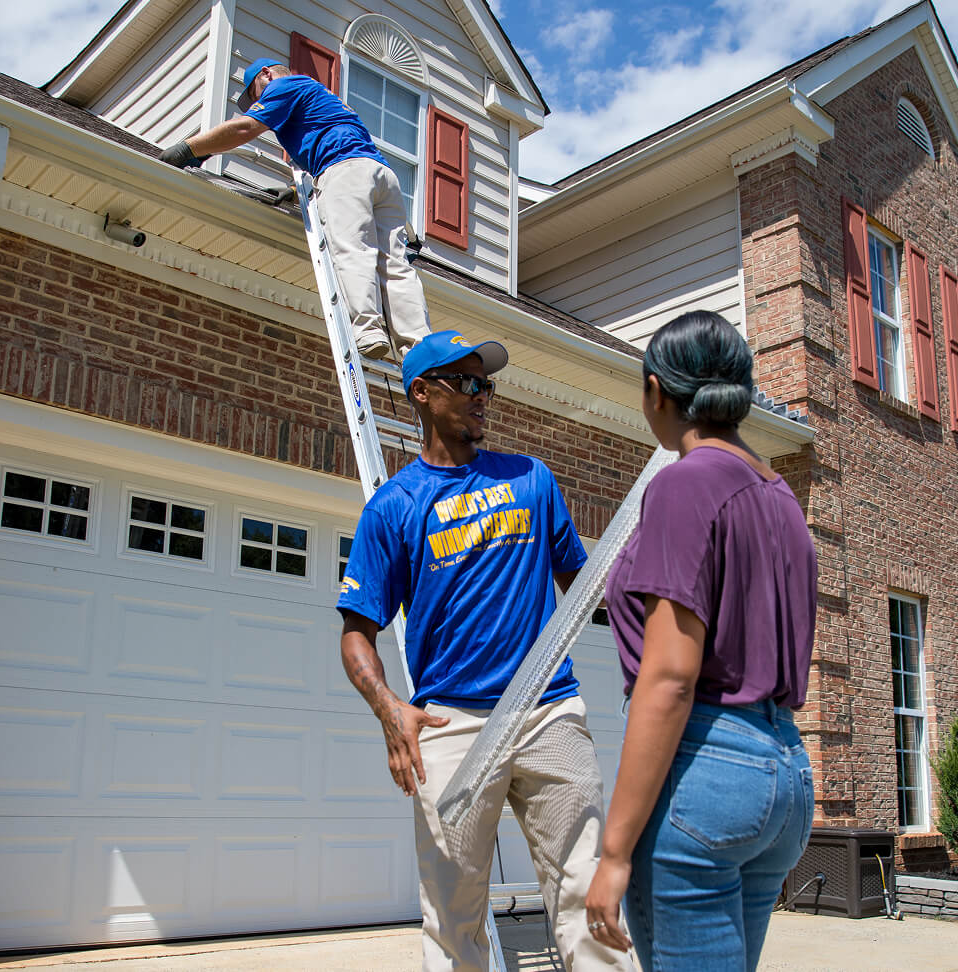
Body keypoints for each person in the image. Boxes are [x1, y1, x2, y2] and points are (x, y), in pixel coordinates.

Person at [336, 330, 633, 972]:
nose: (481, 395)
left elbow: (588, 593)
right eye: (465, 383)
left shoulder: (531, 478)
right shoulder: (394, 507)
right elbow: (356, 633)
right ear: (422, 393)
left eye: (486, 383)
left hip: (548, 710)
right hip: (451, 725)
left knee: (589, 896)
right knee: (452, 916)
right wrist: (390, 709)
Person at [584, 310, 817, 971]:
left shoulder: (684, 485)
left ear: (657, 390)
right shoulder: (781, 500)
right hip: (785, 769)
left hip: (707, 774)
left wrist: (614, 853)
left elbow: (670, 678)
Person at [158, 57, 431, 360]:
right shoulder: (325, 100)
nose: (258, 101)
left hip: (344, 169)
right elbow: (341, 149)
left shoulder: (285, 85)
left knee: (352, 248)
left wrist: (191, 149)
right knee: (394, 265)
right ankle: (419, 349)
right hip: (382, 177)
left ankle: (367, 329)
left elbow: (244, 128)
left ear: (266, 74)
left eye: (255, 94)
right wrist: (293, 191)